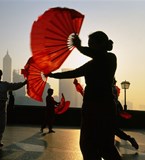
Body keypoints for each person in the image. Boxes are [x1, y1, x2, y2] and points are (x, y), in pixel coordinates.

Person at [47, 31, 121, 159]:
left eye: (91, 44)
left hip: (104, 107)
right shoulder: (91, 64)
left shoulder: (110, 58)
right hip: (90, 107)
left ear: (101, 44)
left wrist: (80, 47)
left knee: (105, 146)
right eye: (88, 44)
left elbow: (96, 54)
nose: (90, 47)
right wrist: (53, 75)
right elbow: (73, 73)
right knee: (88, 145)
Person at [113, 79, 139, 149]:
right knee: (114, 130)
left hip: (111, 111)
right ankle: (130, 139)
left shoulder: (111, 89)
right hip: (114, 110)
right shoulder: (114, 89)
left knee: (114, 130)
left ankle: (130, 139)